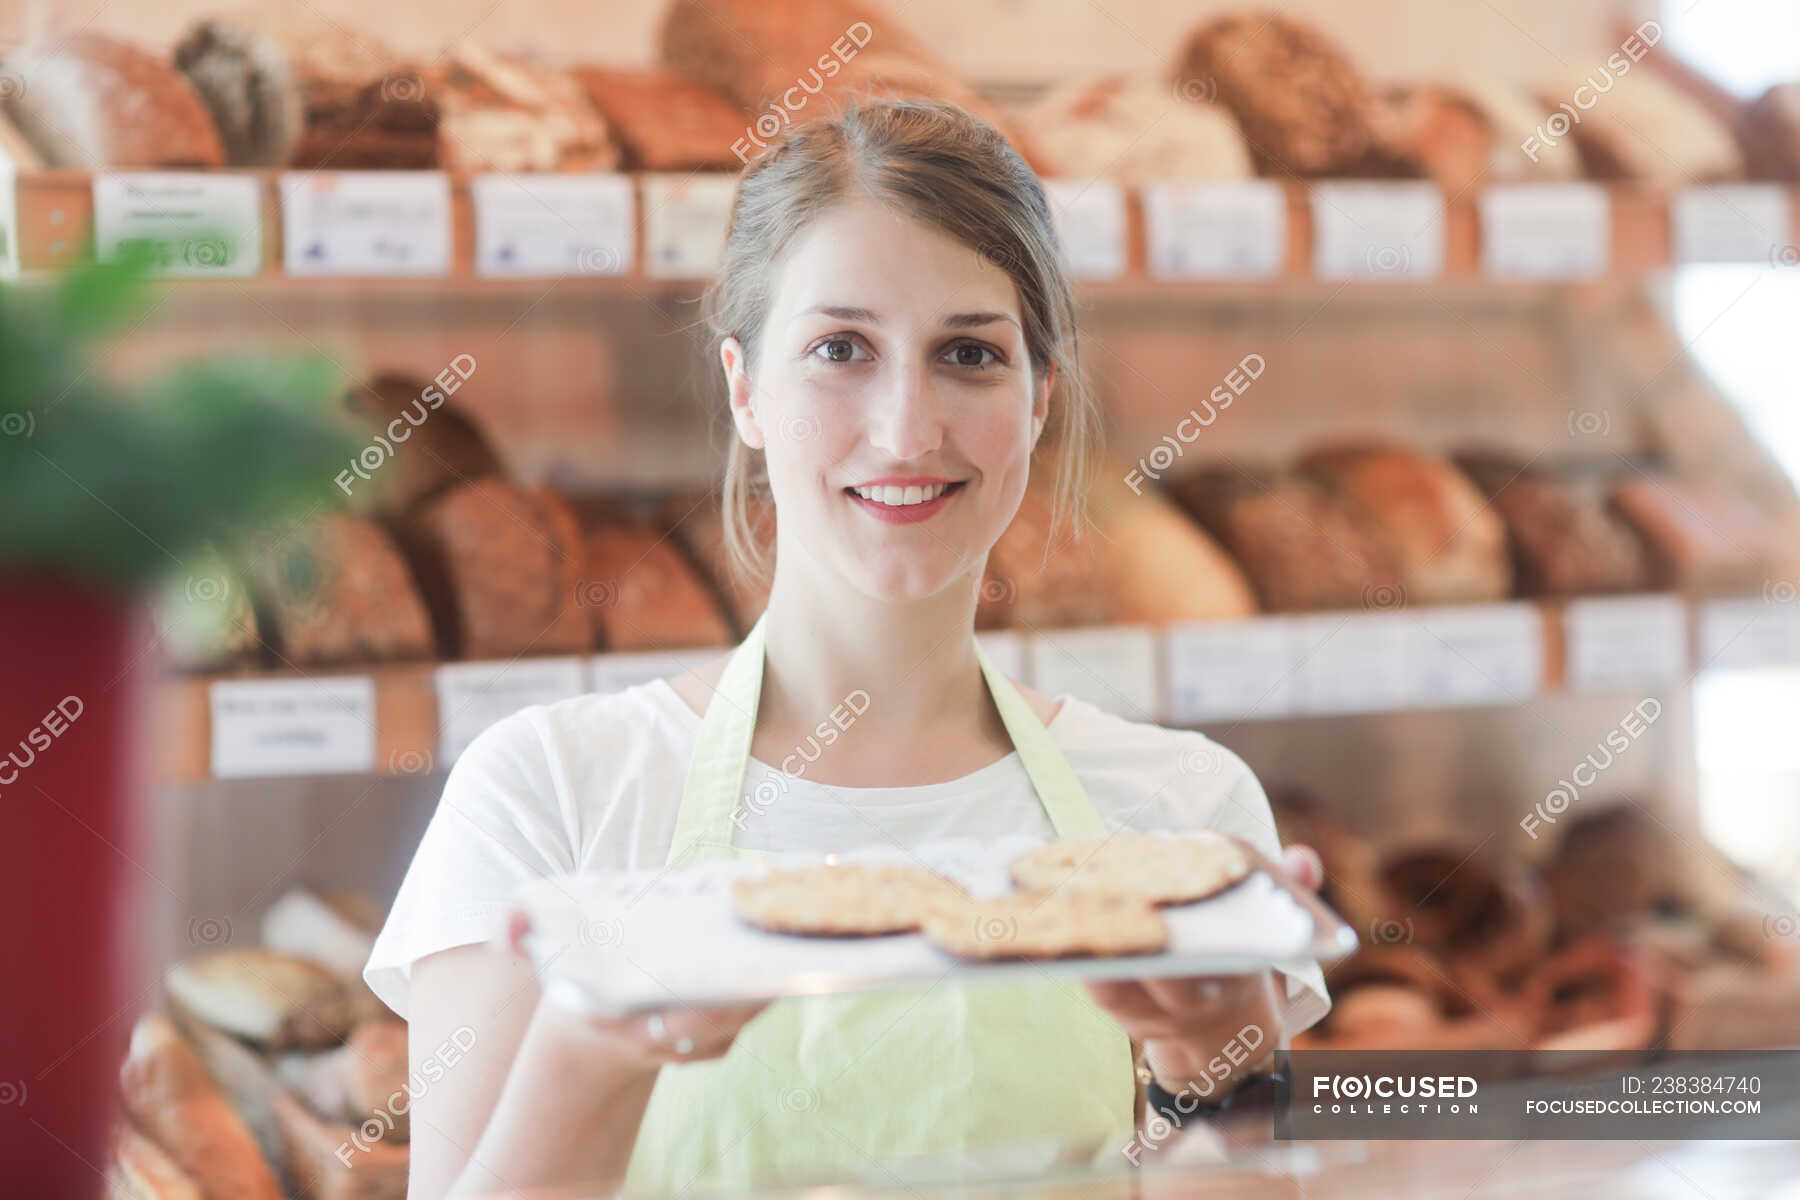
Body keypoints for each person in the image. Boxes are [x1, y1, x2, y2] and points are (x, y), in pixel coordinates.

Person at [364, 97, 1331, 1198]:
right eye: (840, 349)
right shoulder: (553, 796)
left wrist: (1221, 1076)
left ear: (1039, 398)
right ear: (745, 389)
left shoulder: (1177, 814)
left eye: (970, 353)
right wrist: (594, 1045)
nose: (908, 427)